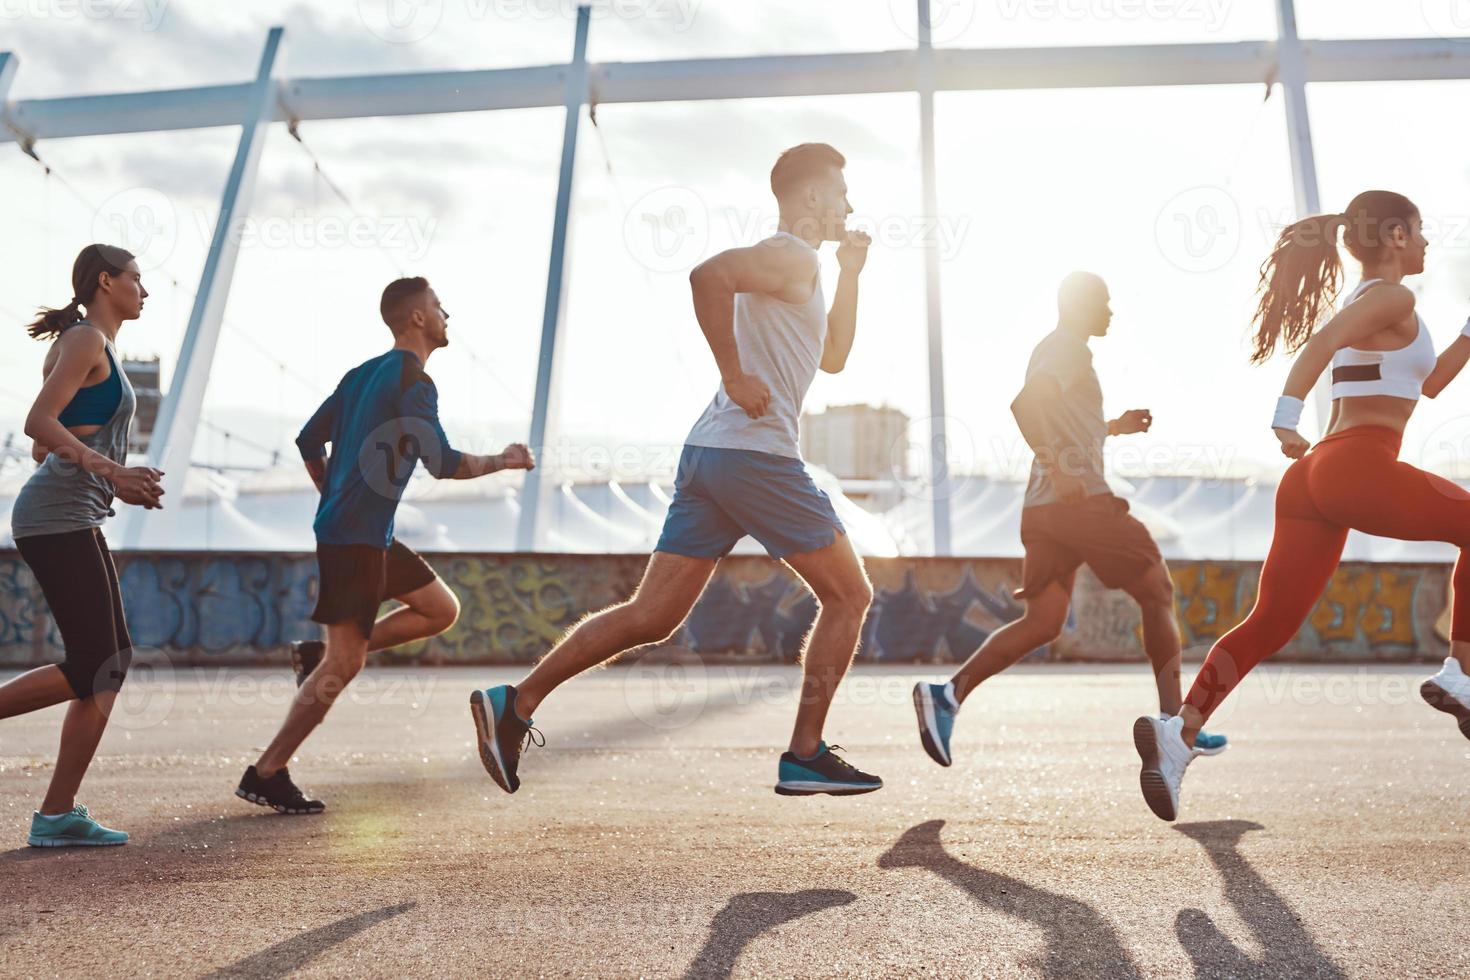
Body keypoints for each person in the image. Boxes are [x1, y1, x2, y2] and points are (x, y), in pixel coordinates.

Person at [471, 143, 880, 797]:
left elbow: (832, 357)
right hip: (755, 457)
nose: (849, 204)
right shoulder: (790, 253)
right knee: (850, 596)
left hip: (713, 455)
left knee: (651, 614)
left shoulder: (806, 268)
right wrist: (734, 373)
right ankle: (805, 753)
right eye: (841, 191)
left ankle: (514, 705)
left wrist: (853, 271)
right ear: (811, 197)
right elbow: (705, 276)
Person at [1134, 190, 1470, 821]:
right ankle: (1460, 671)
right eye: (1420, 232)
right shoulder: (1393, 297)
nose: (1428, 244)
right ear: (1395, 236)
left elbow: (1426, 384)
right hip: (1355, 464)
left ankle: (1177, 737)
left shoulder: (1374, 302)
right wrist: (1285, 417)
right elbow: (1318, 344)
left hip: (1314, 480)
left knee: (1272, 622)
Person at [236, 277, 534, 814]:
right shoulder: (413, 382)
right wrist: (504, 462)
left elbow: (308, 441)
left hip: (363, 531)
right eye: (441, 307)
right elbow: (443, 465)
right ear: (418, 318)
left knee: (441, 608)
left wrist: (331, 492)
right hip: (355, 537)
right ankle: (267, 771)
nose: (448, 315)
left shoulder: (360, 375)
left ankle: (312, 658)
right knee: (342, 666)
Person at [912, 272, 1226, 768]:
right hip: (1079, 504)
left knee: (1043, 621)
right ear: (1079, 305)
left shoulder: (1060, 351)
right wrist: (1060, 468)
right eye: (1104, 301)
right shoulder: (1067, 348)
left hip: (1044, 510)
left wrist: (1113, 427)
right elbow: (1025, 403)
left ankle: (947, 695)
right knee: (1157, 591)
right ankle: (1176, 726)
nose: (1111, 311)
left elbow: (1060, 416)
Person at [2, 243, 164, 846]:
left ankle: (57, 815)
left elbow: (50, 446)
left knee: (108, 666)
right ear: (106, 280)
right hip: (55, 517)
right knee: (99, 664)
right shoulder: (85, 340)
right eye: (137, 279)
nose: (145, 291)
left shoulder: (94, 347)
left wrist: (114, 471)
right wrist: (113, 471)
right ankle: (55, 815)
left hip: (69, 515)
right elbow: (36, 424)